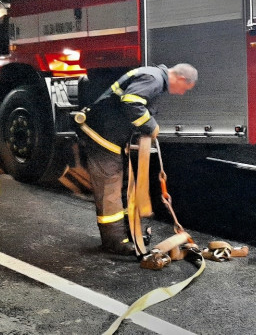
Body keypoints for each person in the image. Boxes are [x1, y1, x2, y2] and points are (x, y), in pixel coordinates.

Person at [75, 63, 198, 255]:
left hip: (111, 137)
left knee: (123, 187)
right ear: (181, 79)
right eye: (184, 89)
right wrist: (150, 126)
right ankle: (114, 242)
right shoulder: (154, 79)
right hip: (101, 136)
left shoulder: (153, 76)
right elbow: (131, 102)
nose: (181, 93)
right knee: (110, 190)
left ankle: (129, 233)